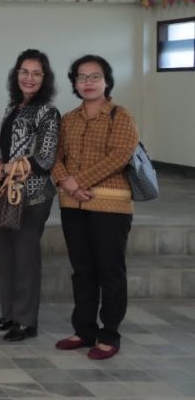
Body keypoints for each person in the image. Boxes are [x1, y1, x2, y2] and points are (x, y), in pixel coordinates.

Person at [52, 55, 139, 361]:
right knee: (83, 270)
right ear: (74, 83)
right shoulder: (68, 119)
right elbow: (54, 156)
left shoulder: (120, 115)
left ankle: (109, 333)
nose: (87, 82)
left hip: (111, 206)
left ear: (106, 80)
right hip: (72, 204)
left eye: (94, 76)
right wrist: (67, 183)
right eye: (81, 77)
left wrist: (79, 181)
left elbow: (120, 155)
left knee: (110, 270)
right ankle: (84, 329)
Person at [0, 49, 60, 342]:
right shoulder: (12, 107)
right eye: (24, 72)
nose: (29, 78)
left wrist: (10, 167)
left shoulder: (48, 112)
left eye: (36, 73)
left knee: (26, 258)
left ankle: (27, 321)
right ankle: (9, 314)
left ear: (45, 79)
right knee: (6, 256)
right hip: (7, 192)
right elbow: (9, 150)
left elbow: (45, 158)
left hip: (34, 196)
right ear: (16, 75)